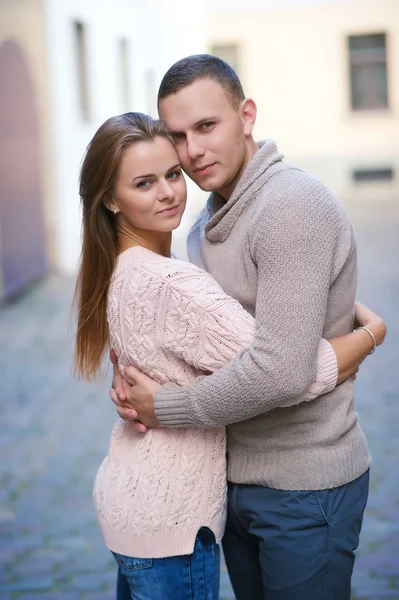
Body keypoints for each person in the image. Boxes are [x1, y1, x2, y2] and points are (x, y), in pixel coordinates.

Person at [73, 112, 382, 600]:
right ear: (110, 199)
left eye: (172, 175)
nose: (169, 192)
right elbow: (282, 372)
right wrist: (367, 338)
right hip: (172, 520)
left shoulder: (121, 271)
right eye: (144, 183)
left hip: (132, 505)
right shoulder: (175, 283)